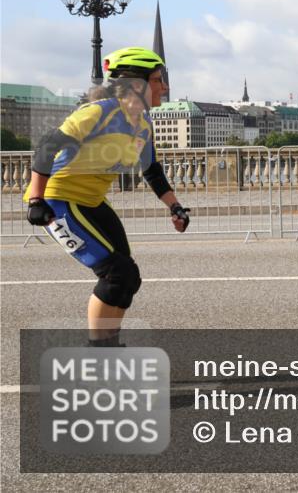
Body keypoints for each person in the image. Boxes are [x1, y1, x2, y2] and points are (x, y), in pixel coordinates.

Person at [24, 47, 191, 346]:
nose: (165, 87)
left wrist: (175, 206)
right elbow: (48, 145)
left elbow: (151, 170)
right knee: (115, 273)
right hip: (58, 200)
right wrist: (36, 200)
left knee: (129, 277)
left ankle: (108, 347)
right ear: (136, 84)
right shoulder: (99, 112)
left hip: (92, 201)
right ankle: (98, 353)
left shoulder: (143, 124)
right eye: (157, 80)